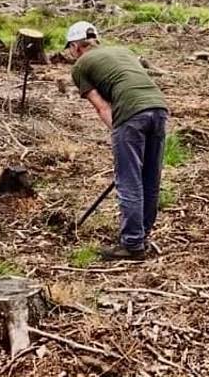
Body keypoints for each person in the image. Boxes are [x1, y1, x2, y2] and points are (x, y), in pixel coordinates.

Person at [67, 21, 169, 261]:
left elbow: (102, 107)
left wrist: (121, 133)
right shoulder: (123, 51)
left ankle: (132, 244)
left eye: (70, 49)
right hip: (159, 108)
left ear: (75, 46)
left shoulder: (80, 66)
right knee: (150, 178)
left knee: (129, 180)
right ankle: (141, 235)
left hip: (131, 114)